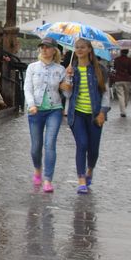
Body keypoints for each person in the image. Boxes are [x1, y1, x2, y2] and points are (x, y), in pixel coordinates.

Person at [61, 38, 111, 195]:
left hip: (95, 115)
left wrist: (103, 112)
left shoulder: (99, 70)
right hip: (77, 114)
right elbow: (67, 94)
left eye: (83, 47)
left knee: (93, 149)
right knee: (82, 144)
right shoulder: (71, 69)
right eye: (77, 47)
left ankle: (90, 169)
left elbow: (106, 93)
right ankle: (81, 179)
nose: (79, 50)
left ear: (89, 49)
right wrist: (67, 79)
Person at [23, 37, 65, 193]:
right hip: (36, 110)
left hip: (54, 109)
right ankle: (37, 169)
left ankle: (48, 179)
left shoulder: (60, 70)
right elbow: (27, 88)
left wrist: (69, 80)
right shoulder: (32, 68)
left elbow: (66, 92)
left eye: (47, 47)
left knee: (50, 144)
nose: (44, 49)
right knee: (36, 147)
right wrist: (31, 104)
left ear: (54, 50)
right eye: (42, 47)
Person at [111, 49, 131, 117]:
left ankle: (123, 110)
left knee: (120, 96)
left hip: (118, 79)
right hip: (127, 79)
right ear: (127, 52)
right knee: (126, 95)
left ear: (121, 52)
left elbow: (114, 68)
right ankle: (124, 109)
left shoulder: (117, 59)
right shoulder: (130, 60)